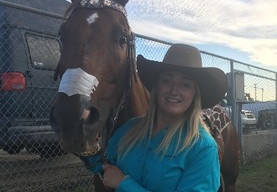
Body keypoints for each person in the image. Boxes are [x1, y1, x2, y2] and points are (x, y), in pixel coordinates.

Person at [79, 43, 227, 192]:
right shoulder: (130, 129)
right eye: (166, 81)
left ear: (195, 94)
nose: (174, 90)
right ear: (157, 87)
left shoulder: (203, 148)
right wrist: (85, 134)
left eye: (185, 85)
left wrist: (124, 184)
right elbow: (102, 165)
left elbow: (117, 181)